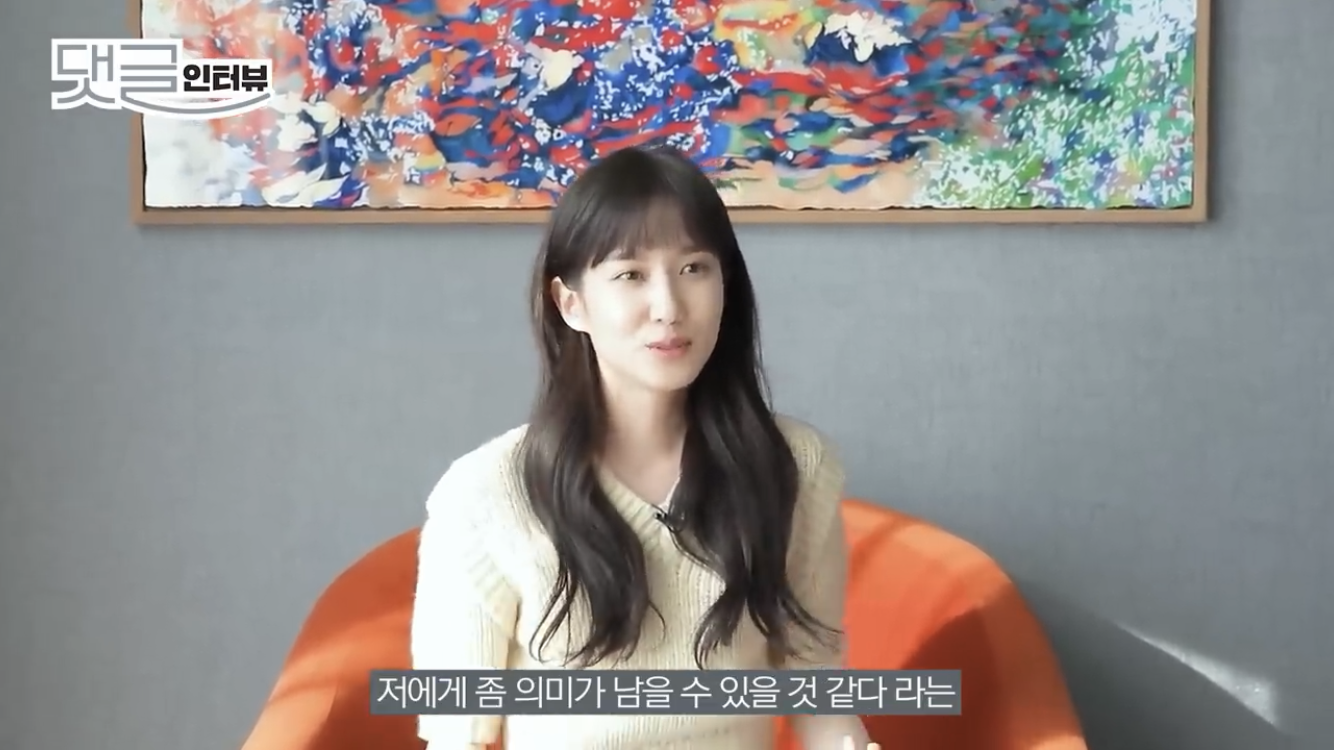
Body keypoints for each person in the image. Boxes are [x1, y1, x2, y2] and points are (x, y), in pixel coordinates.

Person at [410, 146, 871, 750]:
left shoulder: (796, 467)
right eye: (630, 275)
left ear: (726, 285)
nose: (669, 308)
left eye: (694, 268)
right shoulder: (484, 494)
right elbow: (457, 735)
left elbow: (820, 695)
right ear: (571, 303)